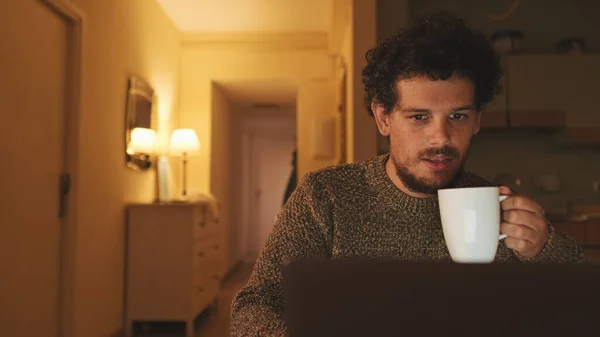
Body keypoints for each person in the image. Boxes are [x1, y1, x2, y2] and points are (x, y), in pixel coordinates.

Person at [230, 11, 586, 336]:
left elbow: (582, 306)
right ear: (384, 118)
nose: (441, 138)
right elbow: (254, 305)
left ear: (477, 119)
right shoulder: (325, 195)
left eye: (458, 116)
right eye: (419, 117)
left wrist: (545, 248)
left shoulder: (495, 206)